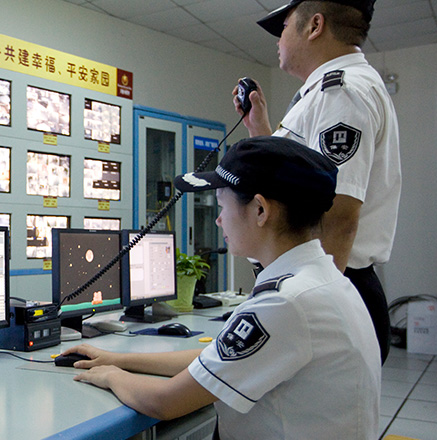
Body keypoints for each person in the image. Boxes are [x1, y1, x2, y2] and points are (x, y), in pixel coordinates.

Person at [62, 136, 381, 439]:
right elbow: (214, 357)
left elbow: (164, 402)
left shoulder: (285, 303)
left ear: (260, 210)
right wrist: (117, 359)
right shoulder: (322, 280)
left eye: (222, 207)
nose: (218, 221)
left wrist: (111, 376)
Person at [234, 0, 400, 364]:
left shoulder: (342, 92)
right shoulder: (322, 94)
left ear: (315, 26)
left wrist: (309, 307)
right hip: (320, 285)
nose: (278, 40)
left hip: (329, 288)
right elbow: (303, 187)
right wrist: (260, 131)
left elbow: (338, 216)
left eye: (284, 28)